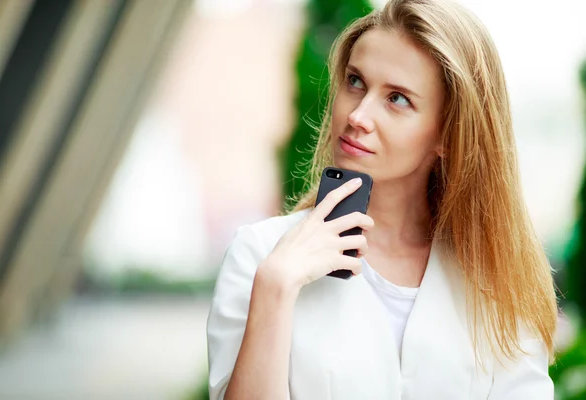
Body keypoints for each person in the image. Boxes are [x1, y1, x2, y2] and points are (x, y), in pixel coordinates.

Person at [206, 0, 558, 398]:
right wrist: (275, 287)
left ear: (448, 134)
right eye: (355, 81)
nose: (358, 115)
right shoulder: (261, 255)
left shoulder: (495, 278)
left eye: (397, 99)